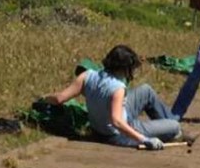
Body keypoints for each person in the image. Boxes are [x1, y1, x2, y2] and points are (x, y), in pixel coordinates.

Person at [41, 45, 183, 149]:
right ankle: (171, 131)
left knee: (145, 90)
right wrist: (144, 139)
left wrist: (43, 98)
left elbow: (60, 98)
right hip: (116, 134)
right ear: (124, 68)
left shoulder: (87, 75)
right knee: (174, 126)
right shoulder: (118, 88)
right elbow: (117, 121)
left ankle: (165, 125)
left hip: (98, 126)